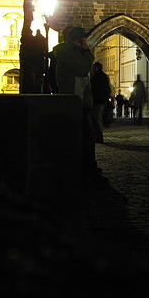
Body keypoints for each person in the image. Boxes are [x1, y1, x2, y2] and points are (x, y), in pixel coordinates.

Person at [51, 26, 106, 185]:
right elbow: (82, 70)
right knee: (85, 140)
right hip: (75, 101)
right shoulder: (69, 52)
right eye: (84, 39)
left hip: (80, 101)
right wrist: (88, 53)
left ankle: (87, 170)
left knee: (86, 139)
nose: (86, 42)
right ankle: (85, 172)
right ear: (79, 40)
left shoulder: (72, 52)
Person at [90, 61, 112, 143]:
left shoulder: (96, 76)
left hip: (97, 100)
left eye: (93, 67)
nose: (91, 69)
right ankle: (98, 135)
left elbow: (93, 88)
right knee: (98, 117)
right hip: (102, 100)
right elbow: (107, 87)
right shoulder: (104, 76)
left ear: (96, 68)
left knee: (96, 118)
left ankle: (99, 136)